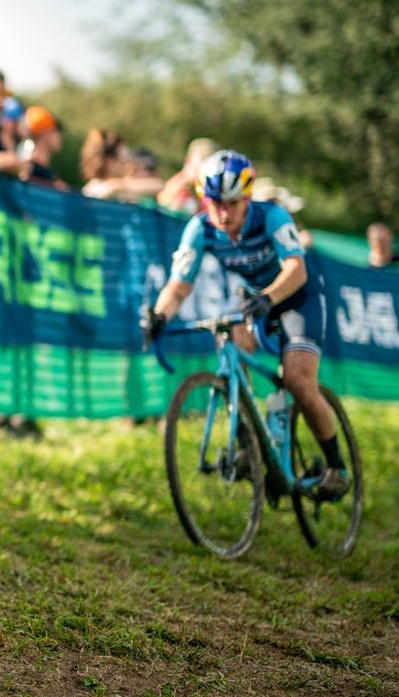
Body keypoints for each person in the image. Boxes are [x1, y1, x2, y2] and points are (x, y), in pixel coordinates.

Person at [143, 150, 349, 499]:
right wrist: (159, 315)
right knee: (231, 347)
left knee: (298, 380)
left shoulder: (271, 216)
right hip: (254, 297)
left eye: (232, 203)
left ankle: (336, 467)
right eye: (215, 203)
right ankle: (246, 448)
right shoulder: (200, 228)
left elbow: (296, 269)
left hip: (298, 294)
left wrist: (270, 297)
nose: (223, 212)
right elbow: (178, 286)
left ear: (247, 197)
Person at [158, 137, 219, 214]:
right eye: (204, 161)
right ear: (188, 160)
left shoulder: (202, 186)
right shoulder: (181, 190)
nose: (208, 167)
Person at [19, 105, 68, 190]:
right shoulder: (29, 172)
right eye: (57, 130)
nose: (61, 136)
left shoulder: (44, 172)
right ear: (45, 132)